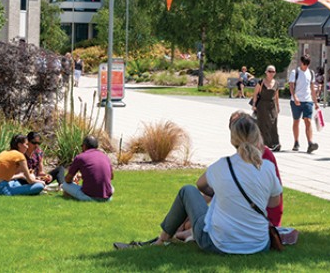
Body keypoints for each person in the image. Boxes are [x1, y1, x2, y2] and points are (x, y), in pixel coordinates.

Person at [116, 115, 281, 253]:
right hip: (259, 245)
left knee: (187, 190)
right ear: (256, 136)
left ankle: (162, 239)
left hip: (218, 244)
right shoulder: (267, 167)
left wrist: (223, 190)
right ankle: (176, 236)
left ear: (233, 139)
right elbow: (274, 202)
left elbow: (200, 185)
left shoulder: (222, 166)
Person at [62, 135, 114, 202]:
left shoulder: (80, 157)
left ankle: (70, 196)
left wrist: (73, 179)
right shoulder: (105, 156)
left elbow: (68, 179)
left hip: (88, 197)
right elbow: (111, 177)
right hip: (107, 198)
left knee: (65, 185)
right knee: (111, 187)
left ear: (84, 146)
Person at [288, 55, 319, 153]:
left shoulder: (311, 73)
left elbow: (312, 88)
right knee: (296, 121)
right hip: (296, 101)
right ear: (301, 62)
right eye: (304, 64)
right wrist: (295, 96)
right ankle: (296, 141)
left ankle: (310, 143)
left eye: (307, 64)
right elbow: (291, 86)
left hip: (307, 100)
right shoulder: (295, 72)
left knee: (308, 121)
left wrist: (315, 102)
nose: (305, 66)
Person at [252, 65, 281, 152]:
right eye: (269, 71)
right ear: (266, 72)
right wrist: (254, 105)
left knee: (273, 123)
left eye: (273, 72)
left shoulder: (276, 83)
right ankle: (263, 144)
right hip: (262, 105)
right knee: (262, 124)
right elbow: (255, 94)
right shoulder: (261, 82)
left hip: (271, 105)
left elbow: (276, 96)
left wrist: (278, 107)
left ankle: (275, 143)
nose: (271, 73)